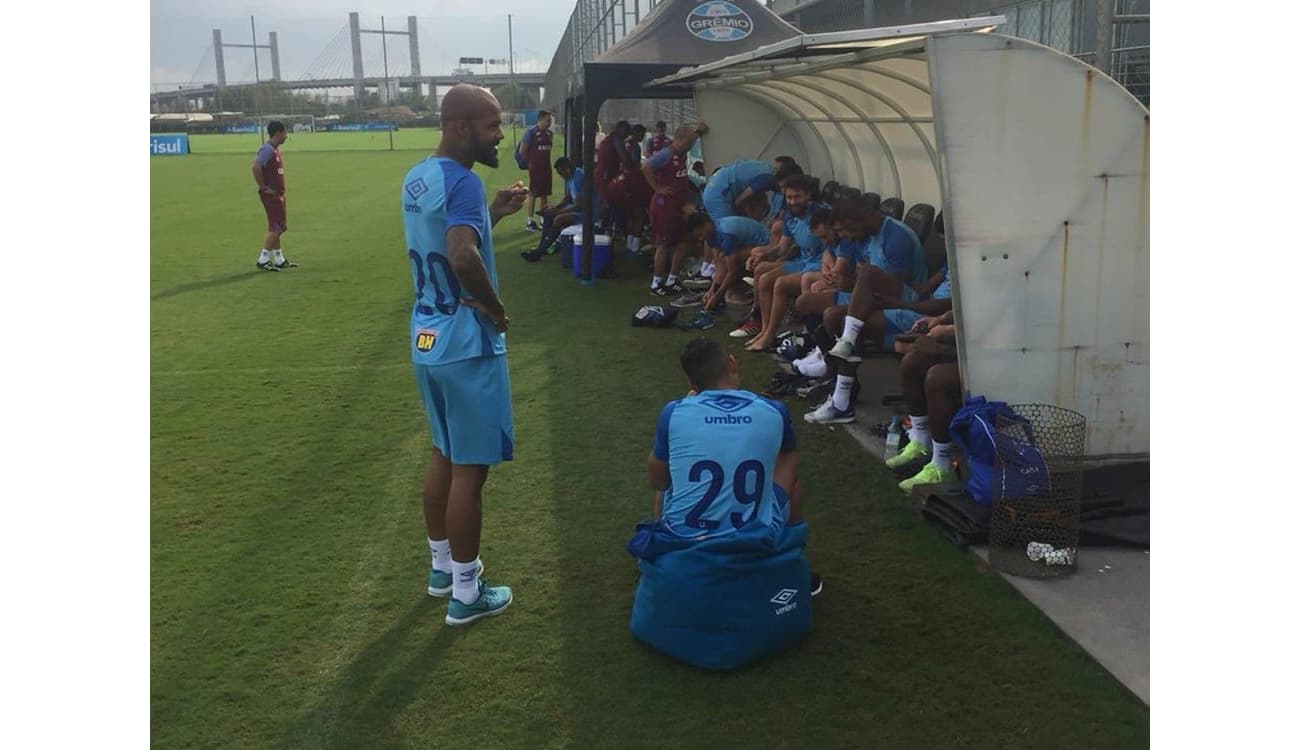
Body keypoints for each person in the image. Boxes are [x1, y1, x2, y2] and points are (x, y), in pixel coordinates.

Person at [402, 84, 528, 627]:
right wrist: (497, 310)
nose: (500, 135)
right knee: (470, 471)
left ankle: (439, 569)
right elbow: (459, 255)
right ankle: (467, 592)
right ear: (459, 128)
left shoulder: (418, 176)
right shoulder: (462, 181)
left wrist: (492, 214)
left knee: (443, 454)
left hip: (427, 336)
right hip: (466, 343)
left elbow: (449, 241)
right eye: (492, 125)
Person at [630, 338, 817, 670]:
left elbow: (657, 480)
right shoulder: (773, 410)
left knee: (668, 484)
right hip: (756, 535)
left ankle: (664, 559)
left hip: (690, 537)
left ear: (692, 383)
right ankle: (792, 559)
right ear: (732, 363)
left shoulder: (673, 412)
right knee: (792, 481)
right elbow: (788, 458)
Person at [739, 175, 829, 350]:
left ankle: (770, 334)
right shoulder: (789, 216)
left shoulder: (819, 214)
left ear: (808, 196)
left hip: (818, 265)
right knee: (763, 274)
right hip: (803, 262)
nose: (793, 201)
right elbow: (782, 248)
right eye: (789, 197)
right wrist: (762, 257)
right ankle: (763, 330)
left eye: (797, 197)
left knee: (780, 284)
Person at [886, 311, 963, 492]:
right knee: (912, 362)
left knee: (937, 379)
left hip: (999, 356)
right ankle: (922, 441)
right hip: (971, 342)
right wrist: (940, 320)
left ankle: (943, 465)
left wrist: (947, 332)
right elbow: (969, 302)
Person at [642, 122, 709, 296]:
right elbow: (647, 167)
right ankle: (656, 284)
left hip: (679, 205)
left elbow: (691, 138)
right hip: (665, 205)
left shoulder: (682, 151)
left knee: (684, 242)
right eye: (688, 142)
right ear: (679, 140)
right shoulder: (666, 154)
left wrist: (697, 131)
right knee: (664, 244)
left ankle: (672, 280)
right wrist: (658, 188)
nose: (690, 145)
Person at [520, 156, 586, 262]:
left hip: (586, 213)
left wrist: (558, 212)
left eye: (561, 173)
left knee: (558, 219)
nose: (560, 176)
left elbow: (579, 205)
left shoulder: (579, 177)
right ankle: (541, 248)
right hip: (577, 209)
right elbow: (568, 197)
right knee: (548, 214)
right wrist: (554, 208)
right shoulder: (570, 177)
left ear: (567, 168)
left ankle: (539, 252)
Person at [252, 121, 298, 271]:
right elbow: (255, 166)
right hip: (272, 195)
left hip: (277, 194)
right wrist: (263, 187)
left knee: (276, 226)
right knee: (279, 227)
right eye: (284, 132)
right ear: (278, 133)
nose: (286, 136)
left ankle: (279, 259)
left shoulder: (274, 150)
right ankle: (263, 259)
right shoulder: (268, 150)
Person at [702, 157, 799, 222]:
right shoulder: (767, 178)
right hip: (719, 193)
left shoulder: (766, 170)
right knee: (729, 230)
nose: (784, 192)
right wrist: (748, 220)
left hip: (715, 186)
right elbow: (739, 200)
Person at [518, 110, 554, 231]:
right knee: (533, 193)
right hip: (535, 169)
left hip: (547, 168)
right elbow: (522, 151)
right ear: (541, 119)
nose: (550, 122)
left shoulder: (550, 133)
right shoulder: (531, 132)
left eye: (550, 120)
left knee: (545, 194)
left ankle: (544, 219)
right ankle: (530, 221)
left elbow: (549, 149)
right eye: (548, 120)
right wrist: (530, 164)